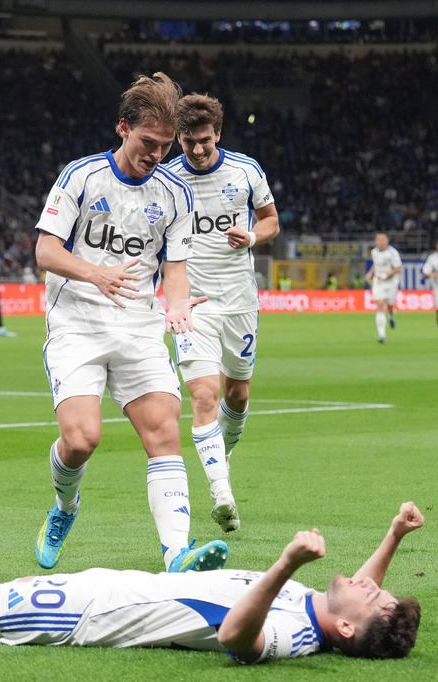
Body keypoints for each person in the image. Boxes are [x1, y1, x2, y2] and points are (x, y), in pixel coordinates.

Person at [0, 502, 424, 664]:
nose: (369, 586)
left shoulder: (292, 629)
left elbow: (235, 638)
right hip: (120, 586)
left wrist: (285, 564)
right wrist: (393, 535)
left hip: (94, 617)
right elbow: (363, 596)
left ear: (345, 628)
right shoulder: (325, 612)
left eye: (374, 599)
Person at [32, 72, 227, 574]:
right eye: (147, 143)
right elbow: (46, 250)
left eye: (164, 147)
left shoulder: (175, 195)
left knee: (164, 432)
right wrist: (95, 273)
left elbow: (175, 270)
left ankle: (176, 554)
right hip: (76, 324)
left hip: (139, 327)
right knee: (80, 441)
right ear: (123, 128)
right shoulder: (81, 176)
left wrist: (178, 305)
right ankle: (64, 509)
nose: (155, 155)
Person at [164, 94, 280, 534]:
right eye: (189, 141)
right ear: (178, 137)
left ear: (219, 134)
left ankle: (222, 460)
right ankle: (221, 492)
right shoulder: (165, 178)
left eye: (205, 141)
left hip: (240, 301)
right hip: (192, 303)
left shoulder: (246, 171)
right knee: (204, 396)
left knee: (239, 395)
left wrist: (251, 236)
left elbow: (271, 220)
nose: (196, 150)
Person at [365, 233, 402, 343]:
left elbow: (398, 268)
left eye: (383, 239)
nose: (381, 242)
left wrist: (386, 275)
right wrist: (370, 273)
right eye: (379, 240)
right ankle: (382, 335)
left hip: (391, 282)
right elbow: (376, 264)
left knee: (390, 306)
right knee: (380, 305)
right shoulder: (374, 252)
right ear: (376, 241)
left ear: (387, 241)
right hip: (379, 282)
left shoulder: (392, 253)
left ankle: (391, 316)